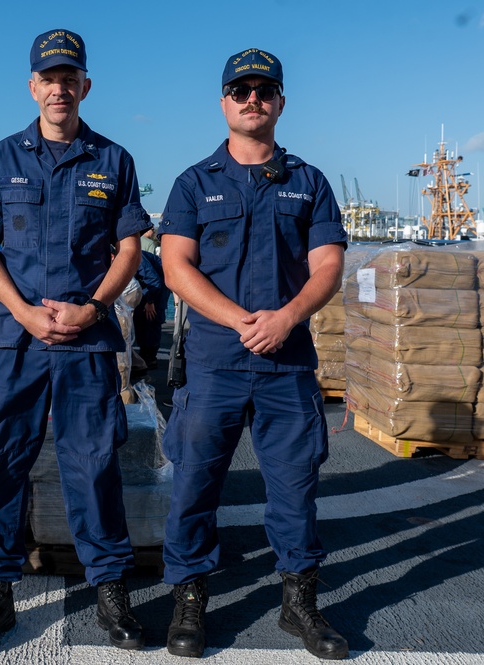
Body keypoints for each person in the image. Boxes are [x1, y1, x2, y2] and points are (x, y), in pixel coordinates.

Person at [0, 28, 151, 652]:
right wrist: (21, 310)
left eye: (70, 78)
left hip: (87, 341)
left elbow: (129, 249)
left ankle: (110, 587)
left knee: (93, 465)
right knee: (0, 460)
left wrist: (94, 307)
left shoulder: (113, 160)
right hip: (18, 339)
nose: (60, 88)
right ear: (33, 87)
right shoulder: (0, 159)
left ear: (85, 86)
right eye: (49, 78)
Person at [157, 48, 349, 660]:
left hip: (286, 363)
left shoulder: (309, 182)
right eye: (240, 90)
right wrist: (242, 320)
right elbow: (175, 266)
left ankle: (300, 602)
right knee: (194, 484)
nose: (252, 99)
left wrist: (289, 316)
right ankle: (190, 599)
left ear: (280, 103)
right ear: (223, 102)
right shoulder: (194, 183)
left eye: (264, 91)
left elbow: (328, 266)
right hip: (214, 359)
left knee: (295, 488)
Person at [132, 249, 169, 369]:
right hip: (147, 285)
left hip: (156, 285)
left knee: (151, 318)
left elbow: (154, 279)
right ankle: (144, 353)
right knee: (140, 318)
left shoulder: (136, 257)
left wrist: (150, 301)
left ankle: (150, 357)